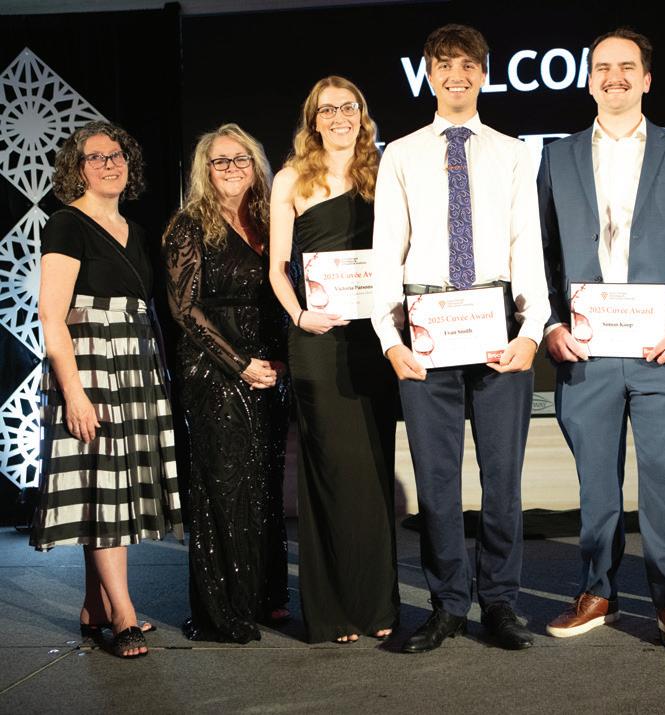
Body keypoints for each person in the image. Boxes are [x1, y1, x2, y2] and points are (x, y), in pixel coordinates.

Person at [537, 28, 665, 650]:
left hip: (663, 348)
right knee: (596, 483)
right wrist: (550, 324)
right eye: (602, 67)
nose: (613, 76)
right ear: (589, 79)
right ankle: (598, 591)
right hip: (586, 350)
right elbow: (542, 252)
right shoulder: (557, 157)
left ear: (646, 78)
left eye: (626, 66)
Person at [372, 24, 549, 653]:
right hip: (427, 333)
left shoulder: (514, 153)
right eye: (444, 64)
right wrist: (390, 338)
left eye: (468, 65)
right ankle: (447, 605)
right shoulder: (400, 154)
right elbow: (387, 252)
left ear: (484, 74)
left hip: (499, 327)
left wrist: (532, 329)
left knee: (503, 482)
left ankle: (500, 601)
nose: (457, 75)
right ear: (428, 73)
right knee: (437, 483)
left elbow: (528, 246)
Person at [31, 121, 184, 658]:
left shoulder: (134, 230)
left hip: (136, 366)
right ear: (77, 169)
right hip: (92, 367)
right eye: (95, 157)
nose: (109, 164)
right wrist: (73, 392)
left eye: (116, 155)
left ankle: (95, 606)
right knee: (106, 487)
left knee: (112, 488)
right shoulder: (66, 223)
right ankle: (123, 613)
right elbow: (51, 315)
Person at [268, 77, 401, 644]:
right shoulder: (290, 179)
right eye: (328, 109)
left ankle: (377, 605)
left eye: (349, 107)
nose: (340, 116)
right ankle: (333, 611)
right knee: (330, 471)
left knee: (373, 468)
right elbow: (277, 268)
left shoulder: (385, 172)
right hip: (318, 342)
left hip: (377, 339)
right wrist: (300, 316)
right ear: (313, 119)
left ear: (362, 115)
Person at [163, 123, 290, 643]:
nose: (232, 168)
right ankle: (222, 612)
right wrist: (240, 364)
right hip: (215, 370)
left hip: (269, 370)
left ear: (255, 166)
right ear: (205, 171)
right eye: (221, 161)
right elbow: (184, 309)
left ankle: (264, 595)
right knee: (224, 486)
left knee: (263, 484)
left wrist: (279, 360)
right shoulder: (189, 225)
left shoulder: (270, 219)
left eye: (241, 159)